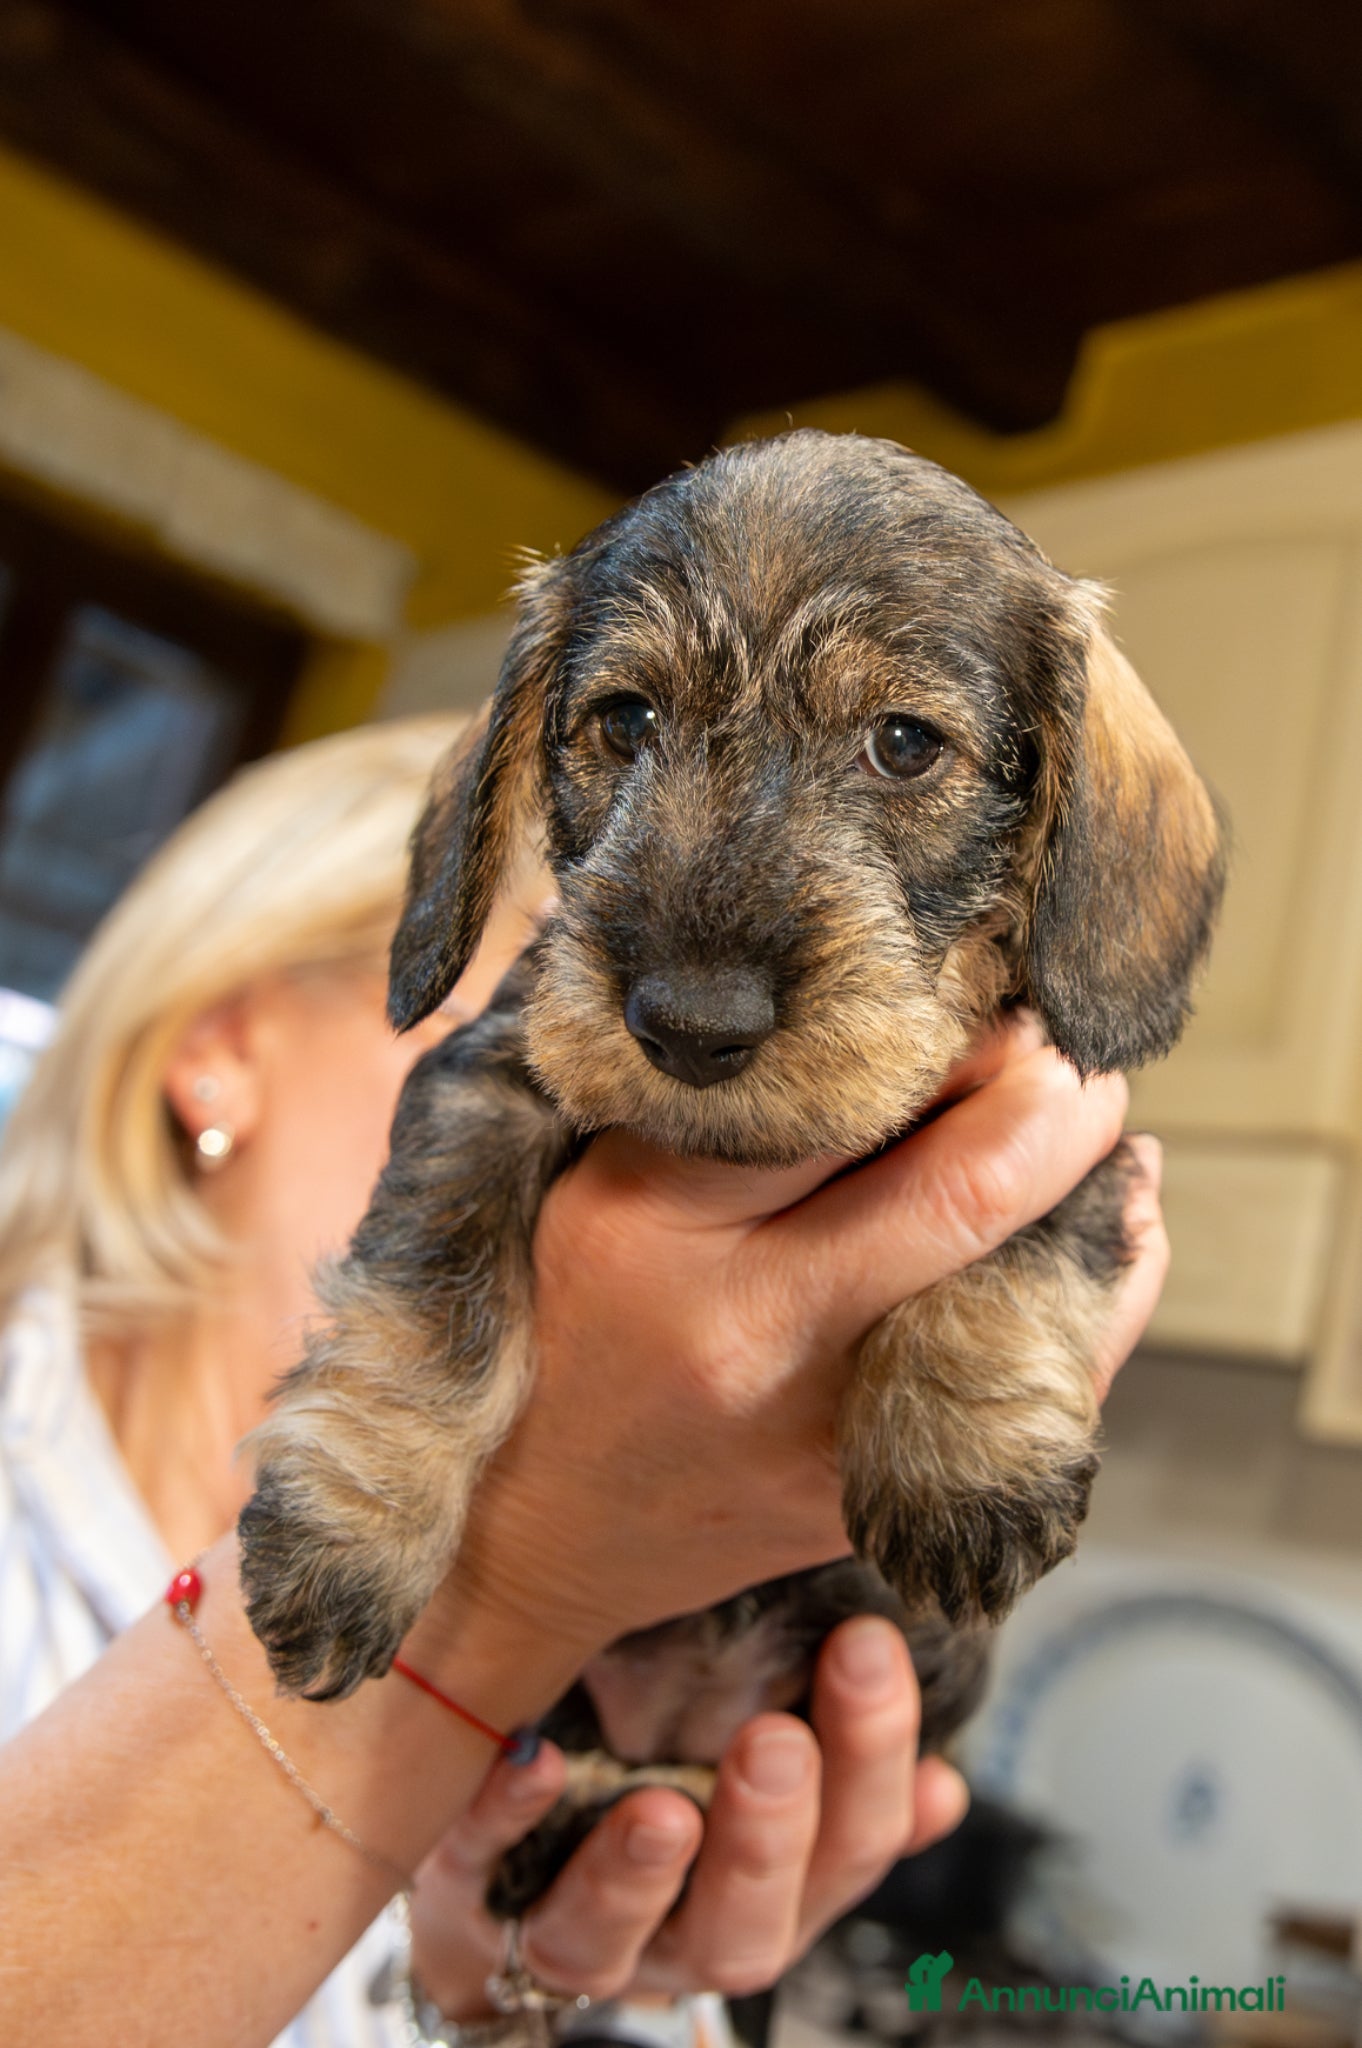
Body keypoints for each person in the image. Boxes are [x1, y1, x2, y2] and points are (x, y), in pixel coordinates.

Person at [0, 716, 1166, 2047]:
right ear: (224, 1044)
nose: (630, 1162)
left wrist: (484, 1995)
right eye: (506, 1030)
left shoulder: (642, 1647)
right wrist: (507, 1586)